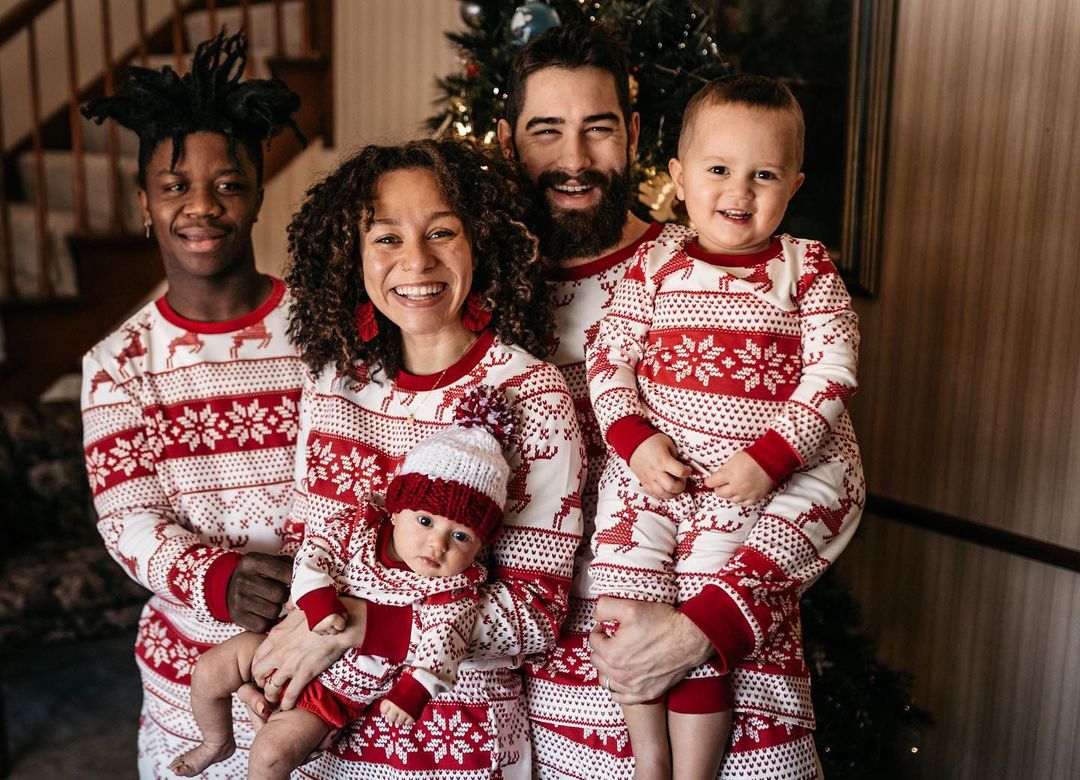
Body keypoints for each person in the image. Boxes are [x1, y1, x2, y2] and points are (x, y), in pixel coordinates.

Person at [497, 24, 863, 779]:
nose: (574, 159)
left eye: (599, 128)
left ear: (634, 135)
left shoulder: (712, 270)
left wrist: (704, 627)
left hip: (741, 693)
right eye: (546, 131)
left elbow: (838, 482)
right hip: (560, 714)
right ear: (507, 143)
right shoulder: (482, 298)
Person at [246, 138, 585, 779]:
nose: (417, 260)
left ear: (479, 242)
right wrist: (269, 662)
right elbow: (310, 547)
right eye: (387, 238)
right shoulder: (333, 381)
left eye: (441, 232)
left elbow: (536, 618)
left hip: (455, 744)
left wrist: (362, 625)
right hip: (316, 741)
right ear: (353, 256)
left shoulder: (529, 392)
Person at [79, 29, 306, 778]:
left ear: (258, 195)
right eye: (175, 186)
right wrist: (219, 577)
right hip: (189, 670)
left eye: (228, 184)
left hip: (319, 656)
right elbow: (127, 520)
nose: (201, 205)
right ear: (145, 204)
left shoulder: (326, 328)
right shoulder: (116, 365)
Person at [170, 386, 515, 778]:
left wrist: (415, 690)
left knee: (270, 754)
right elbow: (314, 553)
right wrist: (316, 598)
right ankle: (215, 742)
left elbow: (444, 644)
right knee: (209, 670)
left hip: (335, 693)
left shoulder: (453, 593)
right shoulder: (359, 529)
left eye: (461, 536)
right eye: (425, 521)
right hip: (281, 640)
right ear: (396, 511)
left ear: (479, 547)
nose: (437, 544)